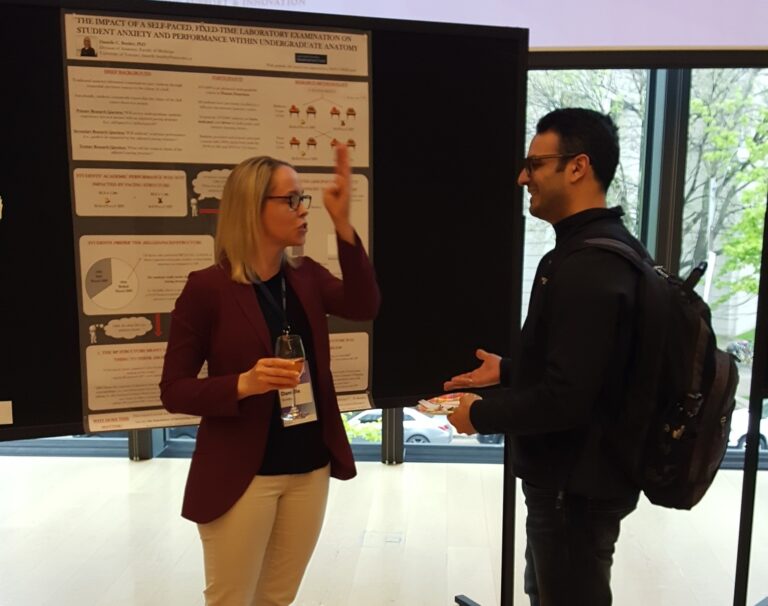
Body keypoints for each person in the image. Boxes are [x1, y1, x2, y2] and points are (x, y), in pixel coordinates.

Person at [160, 143, 379, 606]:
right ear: (252, 208)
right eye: (292, 200)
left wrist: (344, 225)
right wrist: (244, 383)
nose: (304, 211)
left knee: (277, 599)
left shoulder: (306, 276)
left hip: (308, 467)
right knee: (231, 599)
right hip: (243, 475)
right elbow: (173, 390)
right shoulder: (207, 289)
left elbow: (364, 305)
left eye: (305, 200)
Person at [445, 108, 648, 606]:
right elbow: (591, 370)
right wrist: (509, 371)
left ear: (577, 167)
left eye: (534, 164)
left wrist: (480, 414)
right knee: (547, 591)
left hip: (574, 487)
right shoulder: (601, 252)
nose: (522, 177)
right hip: (574, 479)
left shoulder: (589, 268)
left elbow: (566, 400)